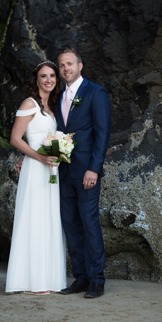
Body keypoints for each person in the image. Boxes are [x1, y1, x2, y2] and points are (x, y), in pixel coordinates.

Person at [5, 60, 67, 294]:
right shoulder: (29, 104)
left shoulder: (51, 108)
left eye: (52, 76)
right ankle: (30, 281)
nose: (49, 80)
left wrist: (58, 151)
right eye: (44, 76)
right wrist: (38, 158)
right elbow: (15, 139)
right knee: (34, 219)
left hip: (50, 169)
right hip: (35, 169)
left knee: (48, 220)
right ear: (36, 79)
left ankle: (47, 279)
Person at [54, 48, 112, 298]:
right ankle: (81, 277)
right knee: (70, 224)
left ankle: (97, 279)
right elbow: (54, 130)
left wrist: (94, 169)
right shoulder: (58, 96)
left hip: (86, 172)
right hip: (63, 171)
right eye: (62, 65)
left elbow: (102, 133)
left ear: (80, 65)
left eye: (70, 64)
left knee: (89, 224)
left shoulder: (95, 92)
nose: (65, 68)